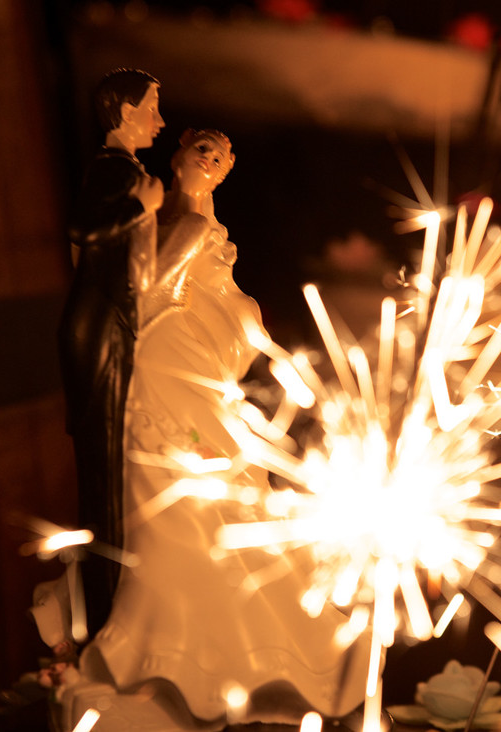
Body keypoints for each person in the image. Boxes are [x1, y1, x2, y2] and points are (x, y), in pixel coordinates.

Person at [54, 130, 370, 730]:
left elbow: (205, 295)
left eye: (221, 158)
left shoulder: (201, 224)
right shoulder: (165, 214)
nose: (210, 162)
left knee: (219, 495)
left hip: (199, 370)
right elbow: (143, 294)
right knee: (169, 496)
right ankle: (160, 638)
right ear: (178, 155)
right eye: (202, 149)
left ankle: (238, 646)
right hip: (164, 363)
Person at [58, 68, 165, 639]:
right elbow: (82, 227)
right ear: (124, 112)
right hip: (98, 327)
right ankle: (102, 623)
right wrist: (140, 207)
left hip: (112, 321)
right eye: (152, 106)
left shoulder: (126, 170)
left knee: (112, 473)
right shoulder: (112, 171)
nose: (160, 119)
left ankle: (111, 613)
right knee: (101, 479)